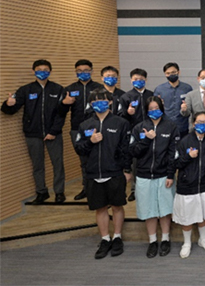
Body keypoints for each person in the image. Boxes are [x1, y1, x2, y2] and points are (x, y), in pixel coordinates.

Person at [74, 88, 131, 259]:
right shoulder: (85, 125)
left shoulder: (120, 123)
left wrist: (127, 170)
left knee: (117, 206)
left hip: (114, 172)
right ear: (91, 104)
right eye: (95, 101)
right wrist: (90, 142)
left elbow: (125, 149)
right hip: (93, 173)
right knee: (100, 208)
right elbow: (79, 148)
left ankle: (117, 237)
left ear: (110, 102)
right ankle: (105, 238)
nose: (99, 103)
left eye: (103, 100)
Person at [1, 59, 66, 204]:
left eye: (46, 69)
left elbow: (61, 113)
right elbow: (10, 110)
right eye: (39, 69)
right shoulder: (25, 90)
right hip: (33, 134)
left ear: (50, 71)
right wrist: (7, 104)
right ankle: (41, 192)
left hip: (53, 134)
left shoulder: (58, 89)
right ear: (33, 71)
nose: (42, 72)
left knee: (58, 164)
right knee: (37, 165)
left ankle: (59, 192)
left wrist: (53, 131)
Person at [129, 96, 179, 258]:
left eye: (156, 108)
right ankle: (152, 241)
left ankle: (165, 238)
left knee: (165, 209)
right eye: (150, 109)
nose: (154, 111)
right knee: (148, 210)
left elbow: (173, 154)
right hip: (143, 175)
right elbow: (133, 151)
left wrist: (171, 174)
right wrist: (147, 141)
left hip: (164, 174)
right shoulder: (139, 128)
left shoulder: (171, 127)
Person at [172, 111, 205, 258]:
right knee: (187, 217)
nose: (202, 125)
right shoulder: (184, 141)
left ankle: (203, 239)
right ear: (193, 124)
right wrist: (188, 157)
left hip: (204, 185)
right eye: (199, 122)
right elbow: (176, 163)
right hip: (187, 186)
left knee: (203, 215)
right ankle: (187, 243)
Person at [60, 59, 102, 202]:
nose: (83, 73)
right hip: (77, 129)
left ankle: (99, 189)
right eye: (80, 71)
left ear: (92, 71)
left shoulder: (99, 88)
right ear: (75, 72)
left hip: (96, 128)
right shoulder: (69, 89)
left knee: (97, 158)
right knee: (83, 160)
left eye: (86, 70)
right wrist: (64, 104)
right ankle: (86, 188)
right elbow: (59, 111)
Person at [118, 68, 154, 201]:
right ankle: (134, 189)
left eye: (141, 79)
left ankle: (150, 187)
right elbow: (120, 117)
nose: (138, 81)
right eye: (135, 79)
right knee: (135, 161)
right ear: (131, 80)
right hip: (134, 133)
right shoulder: (126, 97)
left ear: (146, 79)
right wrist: (128, 113)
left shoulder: (151, 95)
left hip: (151, 131)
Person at [153, 62, 193, 138]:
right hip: (165, 126)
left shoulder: (187, 88)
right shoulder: (159, 89)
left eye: (173, 72)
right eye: (168, 73)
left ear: (178, 72)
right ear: (165, 74)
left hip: (183, 126)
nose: (171, 75)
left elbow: (191, 106)